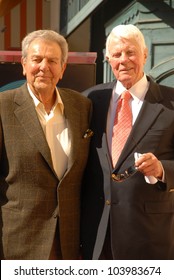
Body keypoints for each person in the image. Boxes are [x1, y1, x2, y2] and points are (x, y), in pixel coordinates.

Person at [81, 24, 174, 260]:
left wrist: (163, 169)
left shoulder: (170, 102)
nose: (124, 60)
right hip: (97, 237)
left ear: (145, 54)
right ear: (107, 59)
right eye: (117, 54)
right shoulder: (90, 100)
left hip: (150, 237)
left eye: (131, 52)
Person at [0, 29, 92, 260]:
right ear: (23, 64)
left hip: (69, 245)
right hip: (18, 245)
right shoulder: (3, 106)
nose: (44, 67)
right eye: (37, 59)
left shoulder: (82, 106)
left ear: (62, 69)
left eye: (52, 61)